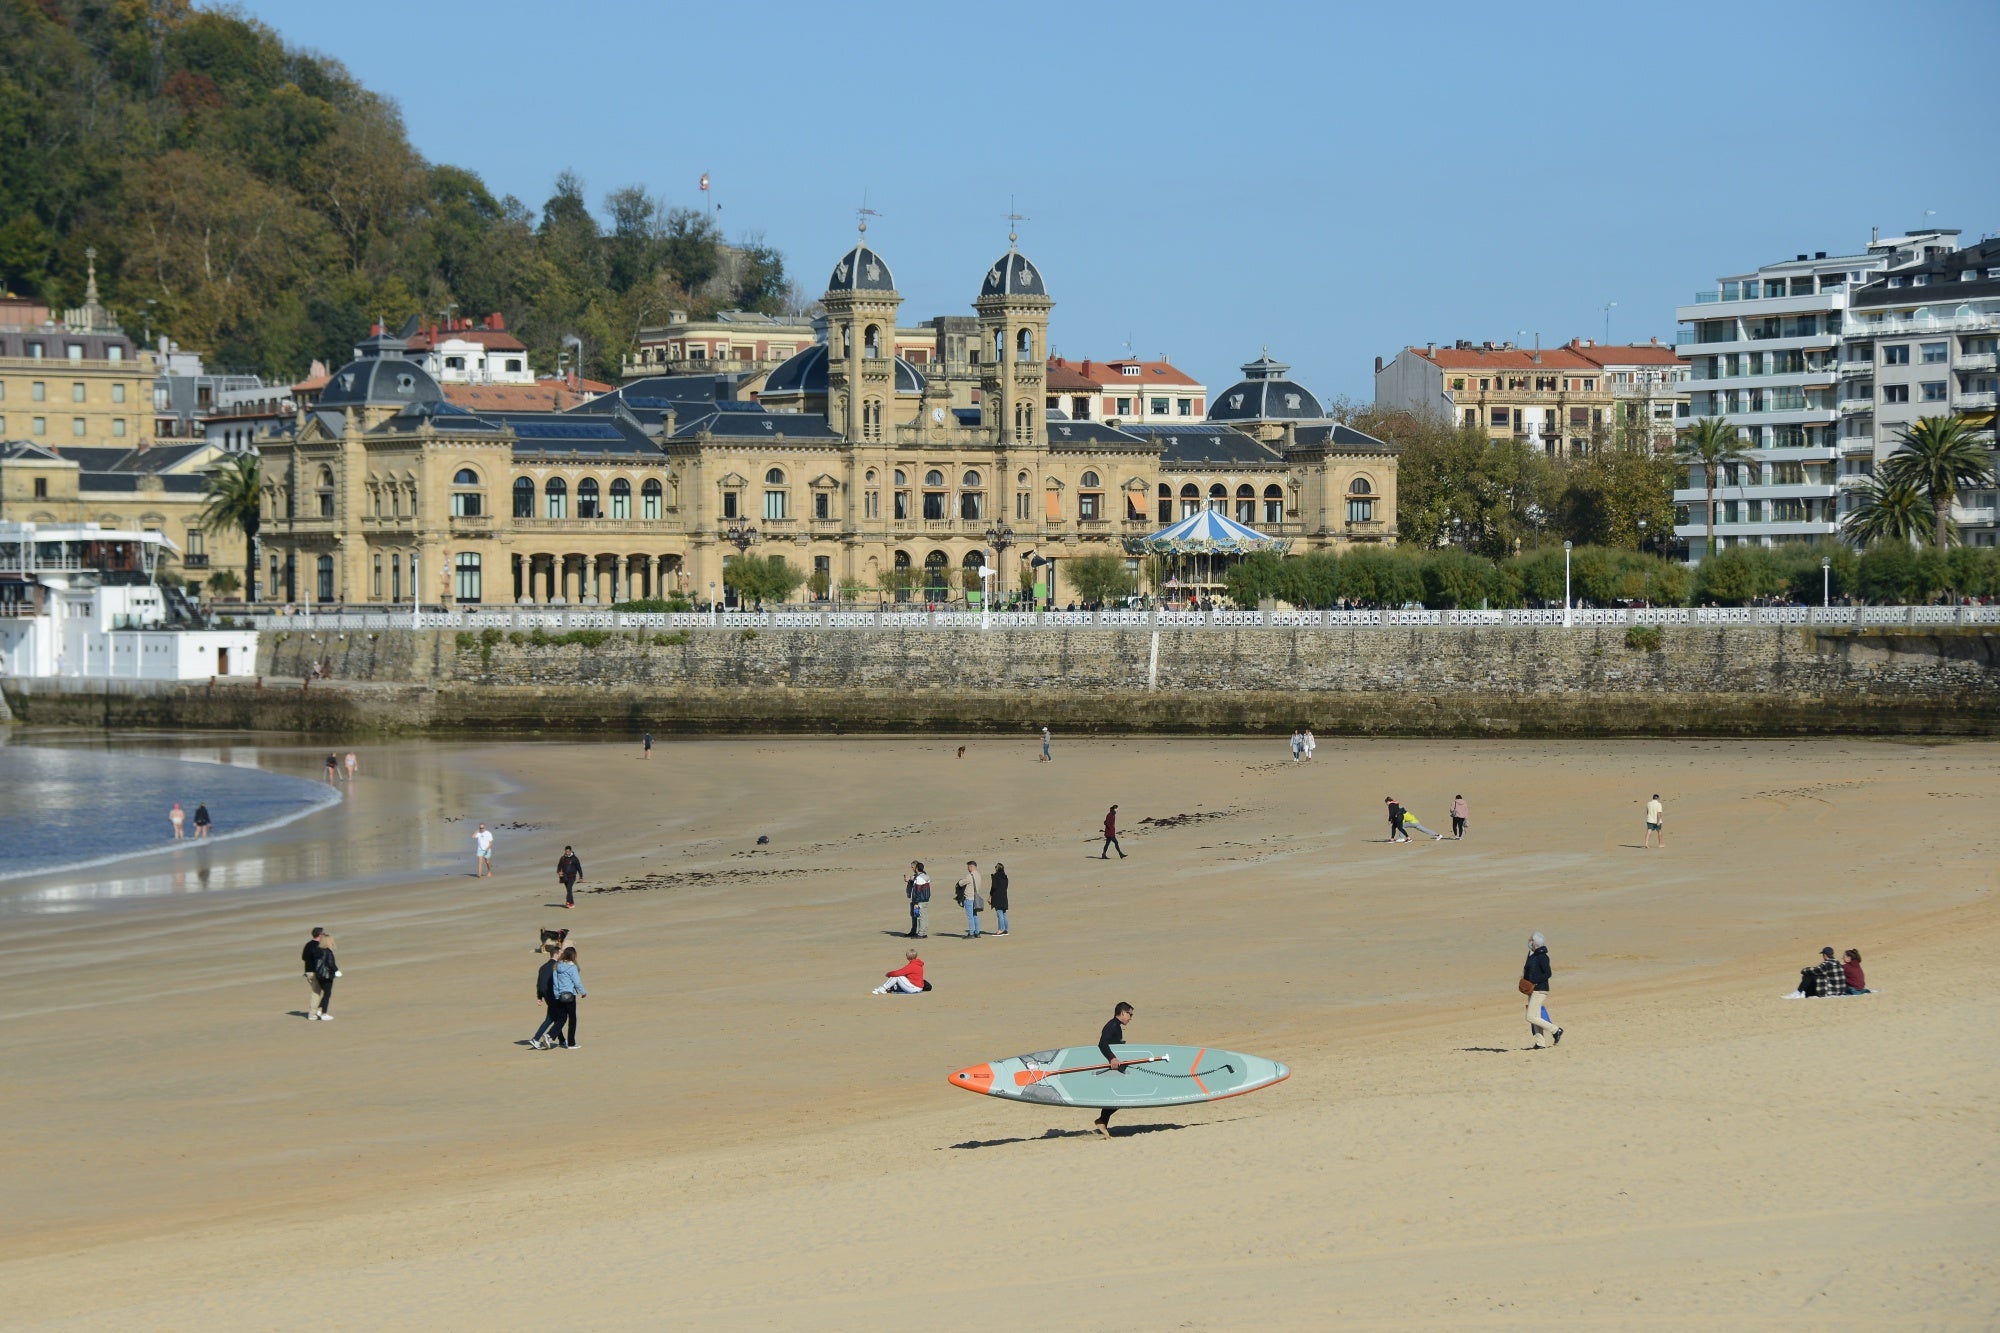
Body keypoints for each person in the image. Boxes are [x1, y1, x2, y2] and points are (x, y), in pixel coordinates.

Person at [1092, 1002, 1135, 1136]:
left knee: (1116, 1095)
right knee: (1120, 1094)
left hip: (1114, 1066)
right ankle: (1102, 1120)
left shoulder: (1116, 1026)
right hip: (1111, 1066)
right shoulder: (1112, 1026)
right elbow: (1102, 1043)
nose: (1131, 1017)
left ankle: (1103, 1121)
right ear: (1122, 1012)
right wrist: (1112, 1058)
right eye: (1130, 1014)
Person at [1521, 932, 1563, 1049]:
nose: (1529, 942)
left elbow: (1548, 973)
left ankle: (1556, 1030)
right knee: (1536, 1016)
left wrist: (1534, 980)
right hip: (1532, 989)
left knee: (1530, 1017)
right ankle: (1540, 1043)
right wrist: (1525, 981)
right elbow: (1527, 969)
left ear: (1535, 942)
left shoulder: (1543, 957)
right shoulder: (1532, 955)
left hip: (1540, 989)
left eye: (1531, 940)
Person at [548, 946, 585, 1047]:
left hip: (560, 996)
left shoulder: (556, 966)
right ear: (573, 956)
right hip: (570, 996)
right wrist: (583, 992)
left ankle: (549, 1035)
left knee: (562, 1018)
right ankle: (571, 1043)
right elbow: (577, 982)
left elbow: (555, 984)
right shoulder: (572, 967)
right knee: (572, 1019)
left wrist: (556, 995)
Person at [529, 943, 564, 1048]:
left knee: (555, 1017)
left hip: (545, 994)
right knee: (552, 1018)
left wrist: (539, 997)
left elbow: (539, 983)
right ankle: (536, 1038)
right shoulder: (556, 967)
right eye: (561, 953)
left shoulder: (543, 967)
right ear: (557, 954)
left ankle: (562, 1041)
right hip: (553, 995)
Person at [301, 927, 337, 1021]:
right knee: (316, 992)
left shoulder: (308, 944)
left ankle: (319, 1010)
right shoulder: (318, 945)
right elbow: (321, 960)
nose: (324, 936)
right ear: (320, 935)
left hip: (308, 971)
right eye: (323, 934)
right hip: (316, 972)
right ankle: (313, 1014)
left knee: (320, 991)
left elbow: (304, 957)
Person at [904, 861, 931, 938]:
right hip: (920, 899)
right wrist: (909, 880)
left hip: (919, 900)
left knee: (920, 916)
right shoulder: (921, 876)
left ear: (916, 867)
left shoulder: (920, 877)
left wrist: (916, 902)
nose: (912, 869)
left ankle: (921, 933)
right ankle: (916, 931)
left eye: (913, 867)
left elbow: (918, 890)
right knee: (916, 915)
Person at [957, 860, 982, 939]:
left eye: (968, 867)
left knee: (970, 916)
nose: (968, 868)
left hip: (969, 898)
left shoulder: (970, 876)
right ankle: (977, 932)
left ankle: (971, 933)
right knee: (975, 916)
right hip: (976, 897)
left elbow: (961, 883)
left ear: (972, 866)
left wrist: (960, 881)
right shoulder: (978, 875)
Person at [989, 862, 1011, 936]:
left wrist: (990, 896)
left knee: (999, 913)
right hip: (1004, 897)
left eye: (995, 867)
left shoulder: (996, 876)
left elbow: (994, 887)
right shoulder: (1005, 877)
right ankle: (1005, 929)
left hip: (997, 897)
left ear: (997, 868)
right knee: (1004, 913)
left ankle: (1001, 929)